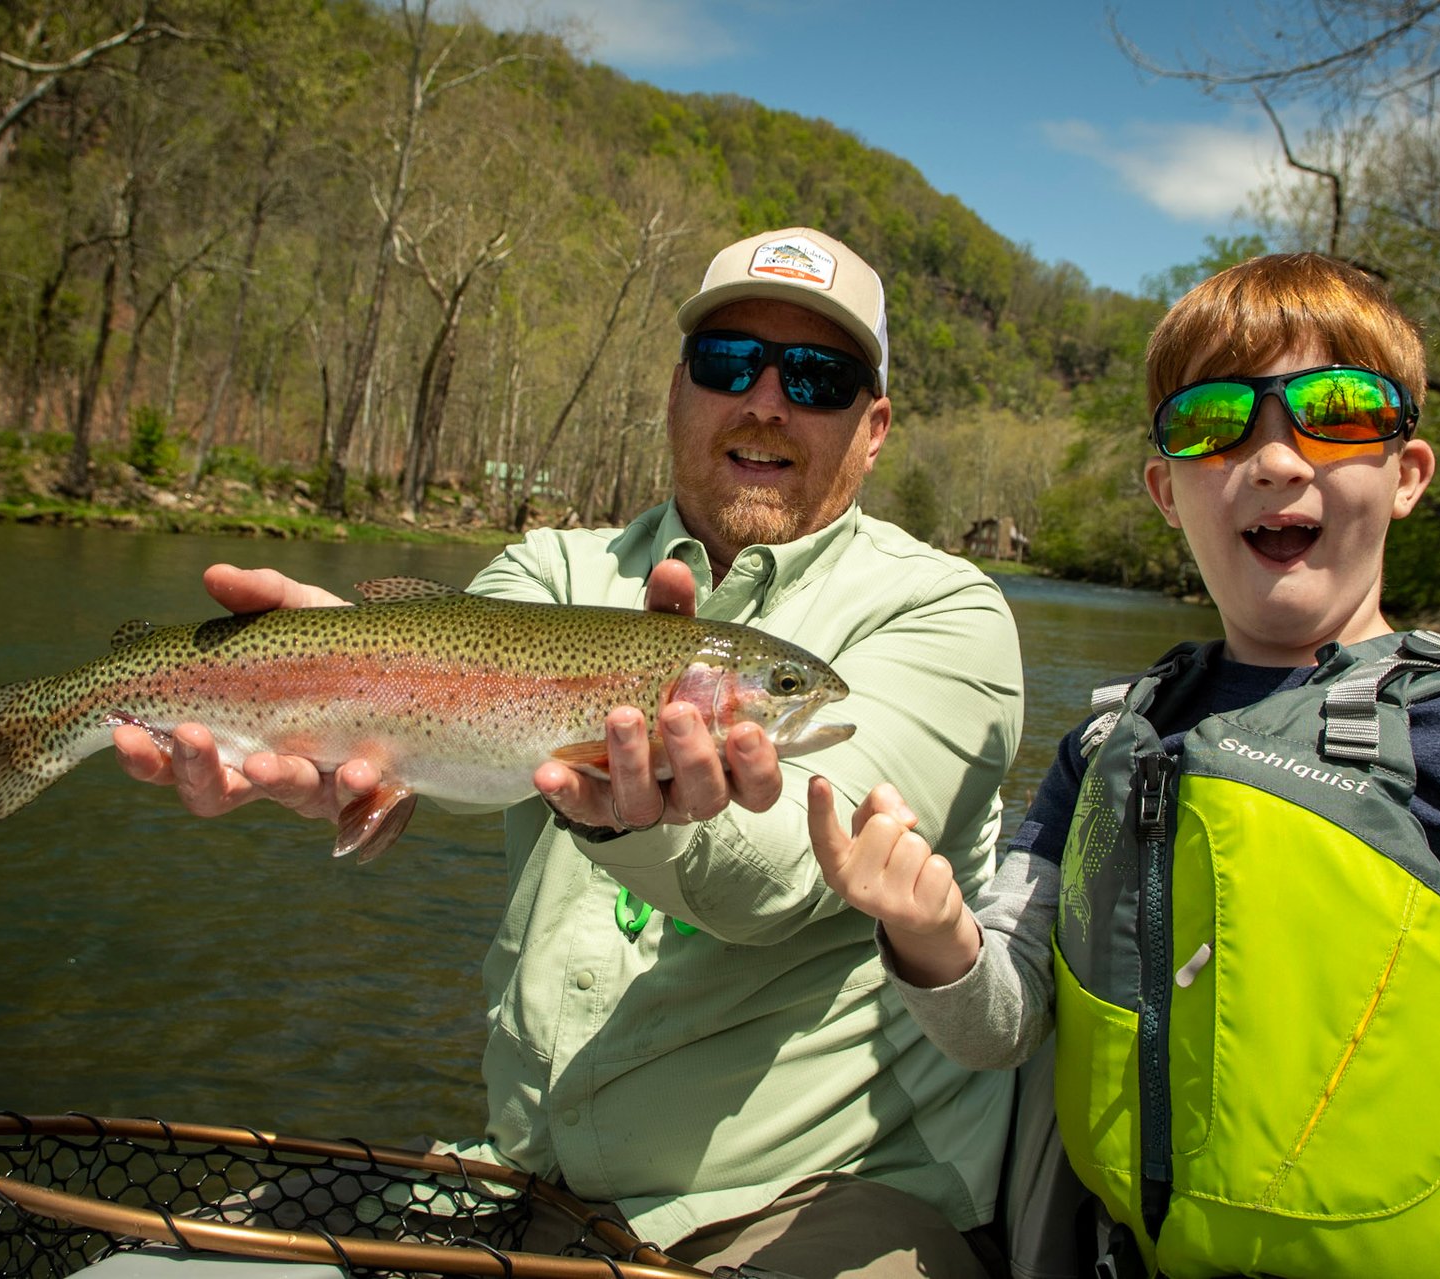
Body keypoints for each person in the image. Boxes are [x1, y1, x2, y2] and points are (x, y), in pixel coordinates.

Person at [113, 227, 1026, 1279]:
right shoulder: (550, 569)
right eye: (730, 362)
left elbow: (786, 872)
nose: (767, 400)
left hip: (806, 1206)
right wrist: (341, 707)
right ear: (679, 392)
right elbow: (434, 716)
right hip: (515, 1183)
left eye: (816, 376)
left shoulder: (944, 613)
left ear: (873, 429)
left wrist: (612, 813)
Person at [806, 253, 1440, 1277]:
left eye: (1336, 410)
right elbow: (1002, 1025)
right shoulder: (1103, 749)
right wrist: (933, 935)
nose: (1278, 458)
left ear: (1408, 474)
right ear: (1167, 489)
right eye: (1214, 421)